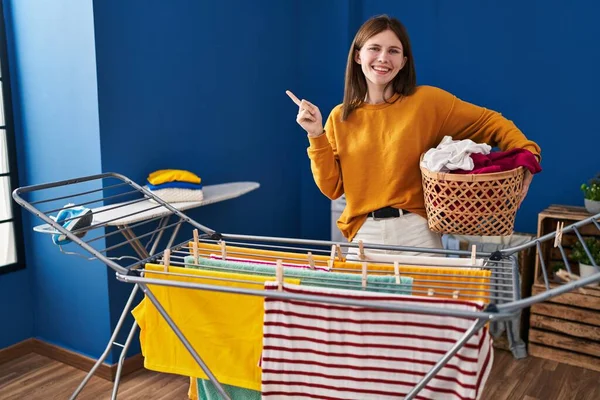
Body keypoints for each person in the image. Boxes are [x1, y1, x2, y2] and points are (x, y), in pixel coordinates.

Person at [286, 15, 541, 256]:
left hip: (418, 233)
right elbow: (331, 189)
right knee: (365, 304)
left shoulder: (427, 102)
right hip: (364, 235)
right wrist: (316, 134)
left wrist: (527, 154)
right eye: (374, 48)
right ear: (357, 56)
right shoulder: (339, 117)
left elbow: (490, 121)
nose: (383, 58)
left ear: (404, 61)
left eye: (393, 51)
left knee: (424, 303)